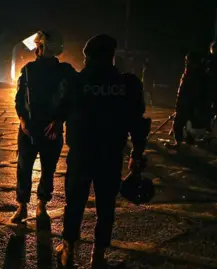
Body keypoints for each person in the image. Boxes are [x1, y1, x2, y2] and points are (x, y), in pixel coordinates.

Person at [56, 34, 149, 268]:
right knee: (106, 206)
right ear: (112, 56)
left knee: (74, 203)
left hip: (81, 153)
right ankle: (98, 256)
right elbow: (137, 122)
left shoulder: (76, 82)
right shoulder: (127, 84)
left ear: (86, 56)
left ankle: (68, 252)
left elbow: (58, 111)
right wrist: (137, 155)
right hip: (110, 154)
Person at [11, 30, 77, 223]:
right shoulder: (28, 70)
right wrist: (23, 120)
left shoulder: (66, 72)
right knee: (25, 169)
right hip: (29, 129)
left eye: (38, 46)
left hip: (51, 131)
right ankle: (22, 206)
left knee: (47, 170)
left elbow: (71, 100)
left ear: (40, 47)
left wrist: (58, 121)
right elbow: (19, 99)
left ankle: (41, 205)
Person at [165, 52, 207, 149]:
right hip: (186, 102)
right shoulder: (189, 71)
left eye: (188, 59)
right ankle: (183, 141)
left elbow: (195, 90)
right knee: (181, 123)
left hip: (190, 103)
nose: (186, 61)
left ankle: (181, 142)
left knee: (180, 123)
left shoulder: (197, 74)